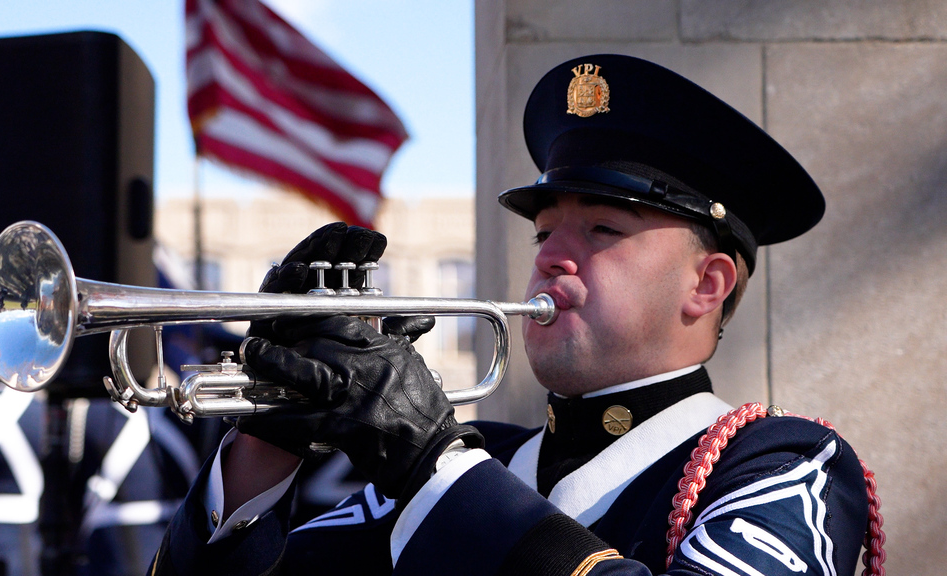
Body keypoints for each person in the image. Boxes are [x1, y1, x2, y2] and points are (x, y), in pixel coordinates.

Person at [148, 54, 874, 575]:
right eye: (542, 233)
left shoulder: (783, 464)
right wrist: (266, 445)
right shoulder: (483, 457)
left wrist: (434, 464)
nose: (551, 256)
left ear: (707, 285)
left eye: (602, 230)